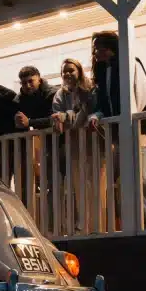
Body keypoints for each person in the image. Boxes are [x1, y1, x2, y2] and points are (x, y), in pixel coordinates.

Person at [86, 31, 146, 230]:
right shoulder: (105, 71)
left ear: (109, 48)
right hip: (120, 135)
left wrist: (129, 122)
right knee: (127, 179)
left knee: (142, 179)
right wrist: (97, 115)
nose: (95, 53)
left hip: (140, 131)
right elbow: (105, 105)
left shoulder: (132, 63)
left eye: (98, 48)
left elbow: (141, 97)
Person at [50, 58, 101, 234]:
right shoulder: (59, 94)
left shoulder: (89, 89)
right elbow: (57, 117)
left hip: (93, 144)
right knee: (78, 187)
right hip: (73, 145)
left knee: (96, 185)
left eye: (71, 70)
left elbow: (89, 112)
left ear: (79, 71)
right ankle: (83, 226)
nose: (67, 74)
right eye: (64, 71)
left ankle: (96, 225)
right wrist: (65, 118)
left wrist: (68, 116)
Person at [14, 65, 59, 218]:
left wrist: (30, 122)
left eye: (30, 81)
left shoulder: (52, 93)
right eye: (23, 83)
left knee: (56, 184)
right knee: (44, 185)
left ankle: (57, 221)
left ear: (39, 78)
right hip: (41, 147)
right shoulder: (20, 99)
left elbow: (53, 118)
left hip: (59, 143)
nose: (27, 85)